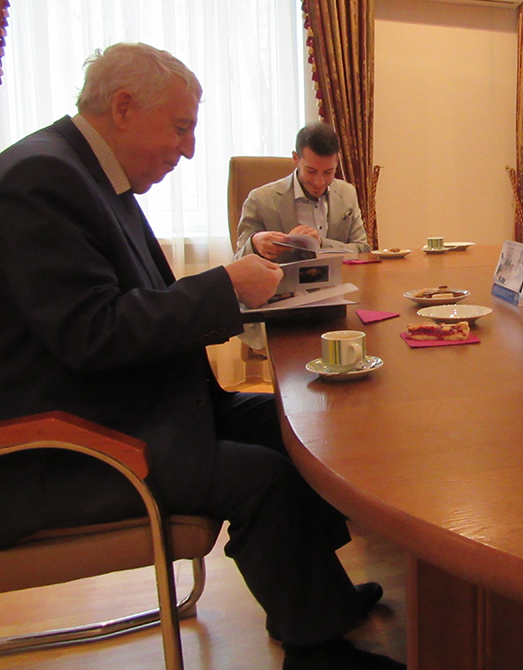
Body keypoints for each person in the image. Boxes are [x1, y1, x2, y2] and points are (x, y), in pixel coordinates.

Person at [0, 43, 403, 670]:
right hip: (76, 445)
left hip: (133, 406)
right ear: (123, 107)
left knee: (300, 425)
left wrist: (229, 287)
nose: (188, 149)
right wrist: (224, 287)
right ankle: (315, 650)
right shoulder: (40, 179)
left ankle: (317, 599)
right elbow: (92, 333)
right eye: (181, 128)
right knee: (265, 479)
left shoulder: (81, 172)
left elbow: (129, 306)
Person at [236, 122, 370, 261]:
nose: (319, 182)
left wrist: (321, 244)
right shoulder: (260, 200)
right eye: (311, 171)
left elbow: (363, 250)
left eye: (328, 172)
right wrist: (254, 244)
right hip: (282, 275)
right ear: (295, 159)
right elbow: (238, 260)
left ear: (337, 160)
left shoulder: (347, 193)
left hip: (342, 275)